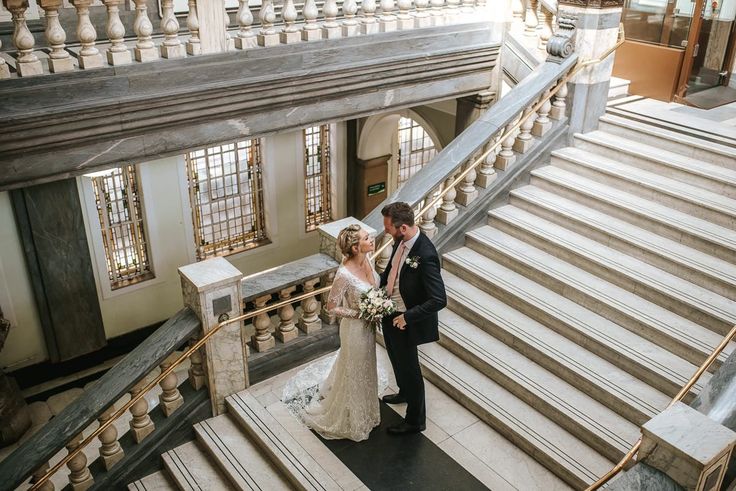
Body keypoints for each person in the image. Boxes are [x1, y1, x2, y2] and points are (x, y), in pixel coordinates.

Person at [283, 224, 384, 441]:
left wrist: (377, 306)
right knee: (355, 369)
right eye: (367, 238)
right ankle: (353, 417)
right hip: (355, 330)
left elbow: (374, 287)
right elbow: (331, 307)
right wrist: (360, 314)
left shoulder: (366, 259)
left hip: (368, 328)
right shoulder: (344, 274)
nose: (371, 240)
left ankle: (368, 409)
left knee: (367, 366)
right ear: (356, 247)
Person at [380, 201, 447, 435]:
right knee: (395, 359)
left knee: (410, 369)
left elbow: (439, 299)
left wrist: (407, 317)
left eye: (389, 227)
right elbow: (392, 272)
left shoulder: (425, 255)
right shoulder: (401, 242)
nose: (386, 230)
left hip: (405, 319)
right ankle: (404, 392)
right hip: (388, 310)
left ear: (404, 228)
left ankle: (415, 420)